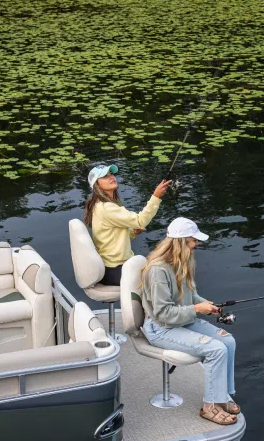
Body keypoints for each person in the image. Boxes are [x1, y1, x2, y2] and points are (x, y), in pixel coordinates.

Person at [140, 217, 239, 426]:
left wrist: (207, 306)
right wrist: (196, 309)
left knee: (228, 341)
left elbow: (191, 295)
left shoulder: (181, 262)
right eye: (193, 241)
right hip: (161, 328)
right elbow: (162, 313)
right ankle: (209, 407)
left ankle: (222, 396)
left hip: (181, 321)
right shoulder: (158, 271)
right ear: (181, 242)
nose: (196, 245)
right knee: (216, 349)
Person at [84, 163, 172, 286]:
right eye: (104, 176)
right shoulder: (107, 208)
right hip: (116, 270)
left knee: (160, 272)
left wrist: (132, 232)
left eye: (111, 174)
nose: (111, 177)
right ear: (96, 185)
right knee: (161, 277)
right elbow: (140, 220)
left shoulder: (99, 205)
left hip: (111, 268)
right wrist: (156, 196)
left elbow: (111, 236)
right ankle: (164, 306)